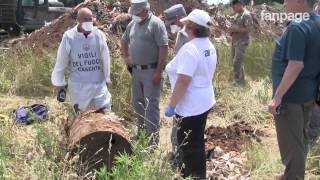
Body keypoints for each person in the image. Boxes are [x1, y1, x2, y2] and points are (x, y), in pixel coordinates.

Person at [268, 0, 320, 178]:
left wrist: (277, 97)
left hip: (290, 98)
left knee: (292, 146)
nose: (284, 3)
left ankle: (294, 176)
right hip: (307, 95)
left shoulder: (297, 26)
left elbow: (296, 65)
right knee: (300, 140)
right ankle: (291, 174)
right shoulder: (316, 21)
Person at [164, 9, 217, 179]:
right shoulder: (208, 45)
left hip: (191, 105)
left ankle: (194, 175)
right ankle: (199, 174)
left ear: (192, 27)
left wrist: (172, 105)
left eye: (186, 24)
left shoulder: (190, 49)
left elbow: (183, 81)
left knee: (188, 144)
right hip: (204, 100)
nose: (184, 26)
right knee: (197, 141)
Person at [121, 0, 169, 146]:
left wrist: (158, 72)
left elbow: (164, 47)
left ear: (145, 10)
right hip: (136, 71)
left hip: (151, 71)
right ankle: (142, 135)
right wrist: (127, 57)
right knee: (138, 103)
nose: (134, 16)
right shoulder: (132, 25)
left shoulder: (156, 24)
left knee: (151, 106)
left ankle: (152, 142)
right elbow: (124, 41)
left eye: (136, 13)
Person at [51, 7, 112, 112]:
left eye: (90, 19)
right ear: (78, 20)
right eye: (85, 19)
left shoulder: (99, 35)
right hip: (79, 87)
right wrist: (60, 82)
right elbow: (61, 60)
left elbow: (106, 58)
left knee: (104, 114)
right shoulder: (69, 37)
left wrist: (107, 78)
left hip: (98, 85)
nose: (88, 22)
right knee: (82, 118)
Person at [163, 3, 188, 155]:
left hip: (184, 86)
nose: (171, 26)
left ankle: (180, 153)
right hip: (180, 85)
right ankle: (178, 150)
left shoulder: (188, 36)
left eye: (172, 22)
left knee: (180, 122)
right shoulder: (181, 34)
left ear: (178, 18)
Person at [229, 0, 253, 85]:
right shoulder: (237, 15)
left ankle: (237, 82)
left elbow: (249, 29)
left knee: (237, 61)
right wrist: (231, 31)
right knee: (236, 61)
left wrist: (236, 29)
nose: (233, 8)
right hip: (235, 41)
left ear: (239, 5)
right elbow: (234, 27)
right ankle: (241, 80)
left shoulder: (246, 15)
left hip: (242, 42)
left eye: (234, 6)